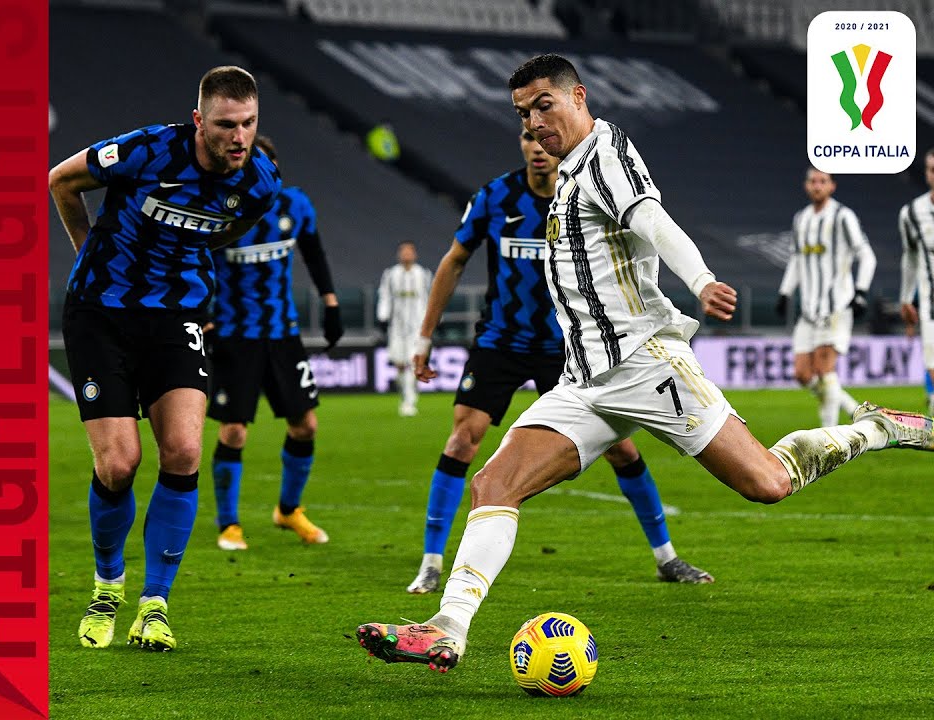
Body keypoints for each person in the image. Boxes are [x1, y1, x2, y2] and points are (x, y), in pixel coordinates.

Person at [355, 53, 934, 673]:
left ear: (578, 96)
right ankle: (447, 628)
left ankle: (877, 429)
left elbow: (653, 221)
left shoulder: (604, 156)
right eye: (523, 114)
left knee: (767, 483)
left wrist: (702, 279)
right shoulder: (566, 176)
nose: (534, 124)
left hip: (646, 365)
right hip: (584, 380)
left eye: (544, 105)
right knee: (494, 484)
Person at [404, 127, 712, 596]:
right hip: (501, 341)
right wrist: (424, 337)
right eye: (526, 138)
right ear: (522, 145)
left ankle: (666, 557)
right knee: (463, 440)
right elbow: (454, 260)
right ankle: (430, 563)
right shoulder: (495, 197)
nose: (536, 147)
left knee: (622, 449)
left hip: (569, 345)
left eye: (540, 138)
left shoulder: (583, 194)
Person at [48, 66, 281, 652]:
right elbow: (61, 181)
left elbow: (234, 224)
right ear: (199, 120)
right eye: (225, 125)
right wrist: (88, 251)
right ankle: (107, 586)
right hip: (100, 314)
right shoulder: (147, 150)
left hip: (175, 317)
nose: (239, 137)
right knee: (119, 464)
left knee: (182, 451)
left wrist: (186, 254)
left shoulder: (260, 180)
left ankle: (155, 604)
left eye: (248, 124)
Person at [208, 134, 341, 551]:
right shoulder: (220, 208)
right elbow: (196, 262)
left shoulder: (294, 204)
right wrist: (204, 319)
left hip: (283, 333)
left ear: (275, 169)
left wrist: (330, 302)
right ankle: (229, 524)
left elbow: (314, 253)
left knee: (305, 426)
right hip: (235, 335)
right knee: (234, 432)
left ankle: (288, 510)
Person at [775, 168, 875, 427]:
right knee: (802, 374)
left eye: (822, 181)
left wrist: (861, 291)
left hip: (837, 307)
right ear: (806, 185)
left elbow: (866, 255)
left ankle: (828, 436)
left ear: (832, 186)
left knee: (824, 370)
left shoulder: (843, 216)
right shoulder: (801, 219)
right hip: (809, 311)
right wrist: (785, 292)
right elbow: (797, 259)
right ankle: (854, 410)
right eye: (812, 181)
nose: (817, 186)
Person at [898, 148, 934, 415]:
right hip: (930, 308)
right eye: (932, 170)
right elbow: (910, 257)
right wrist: (906, 298)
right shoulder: (911, 213)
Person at [377, 242, 432, 416]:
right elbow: (385, 296)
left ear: (415, 254)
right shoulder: (390, 274)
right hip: (397, 327)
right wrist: (382, 317)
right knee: (399, 364)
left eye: (409, 251)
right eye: (403, 252)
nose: (406, 255)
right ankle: (405, 395)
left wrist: (433, 320)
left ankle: (409, 401)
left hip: (417, 327)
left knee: (412, 361)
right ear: (399, 254)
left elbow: (429, 297)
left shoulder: (423, 274)